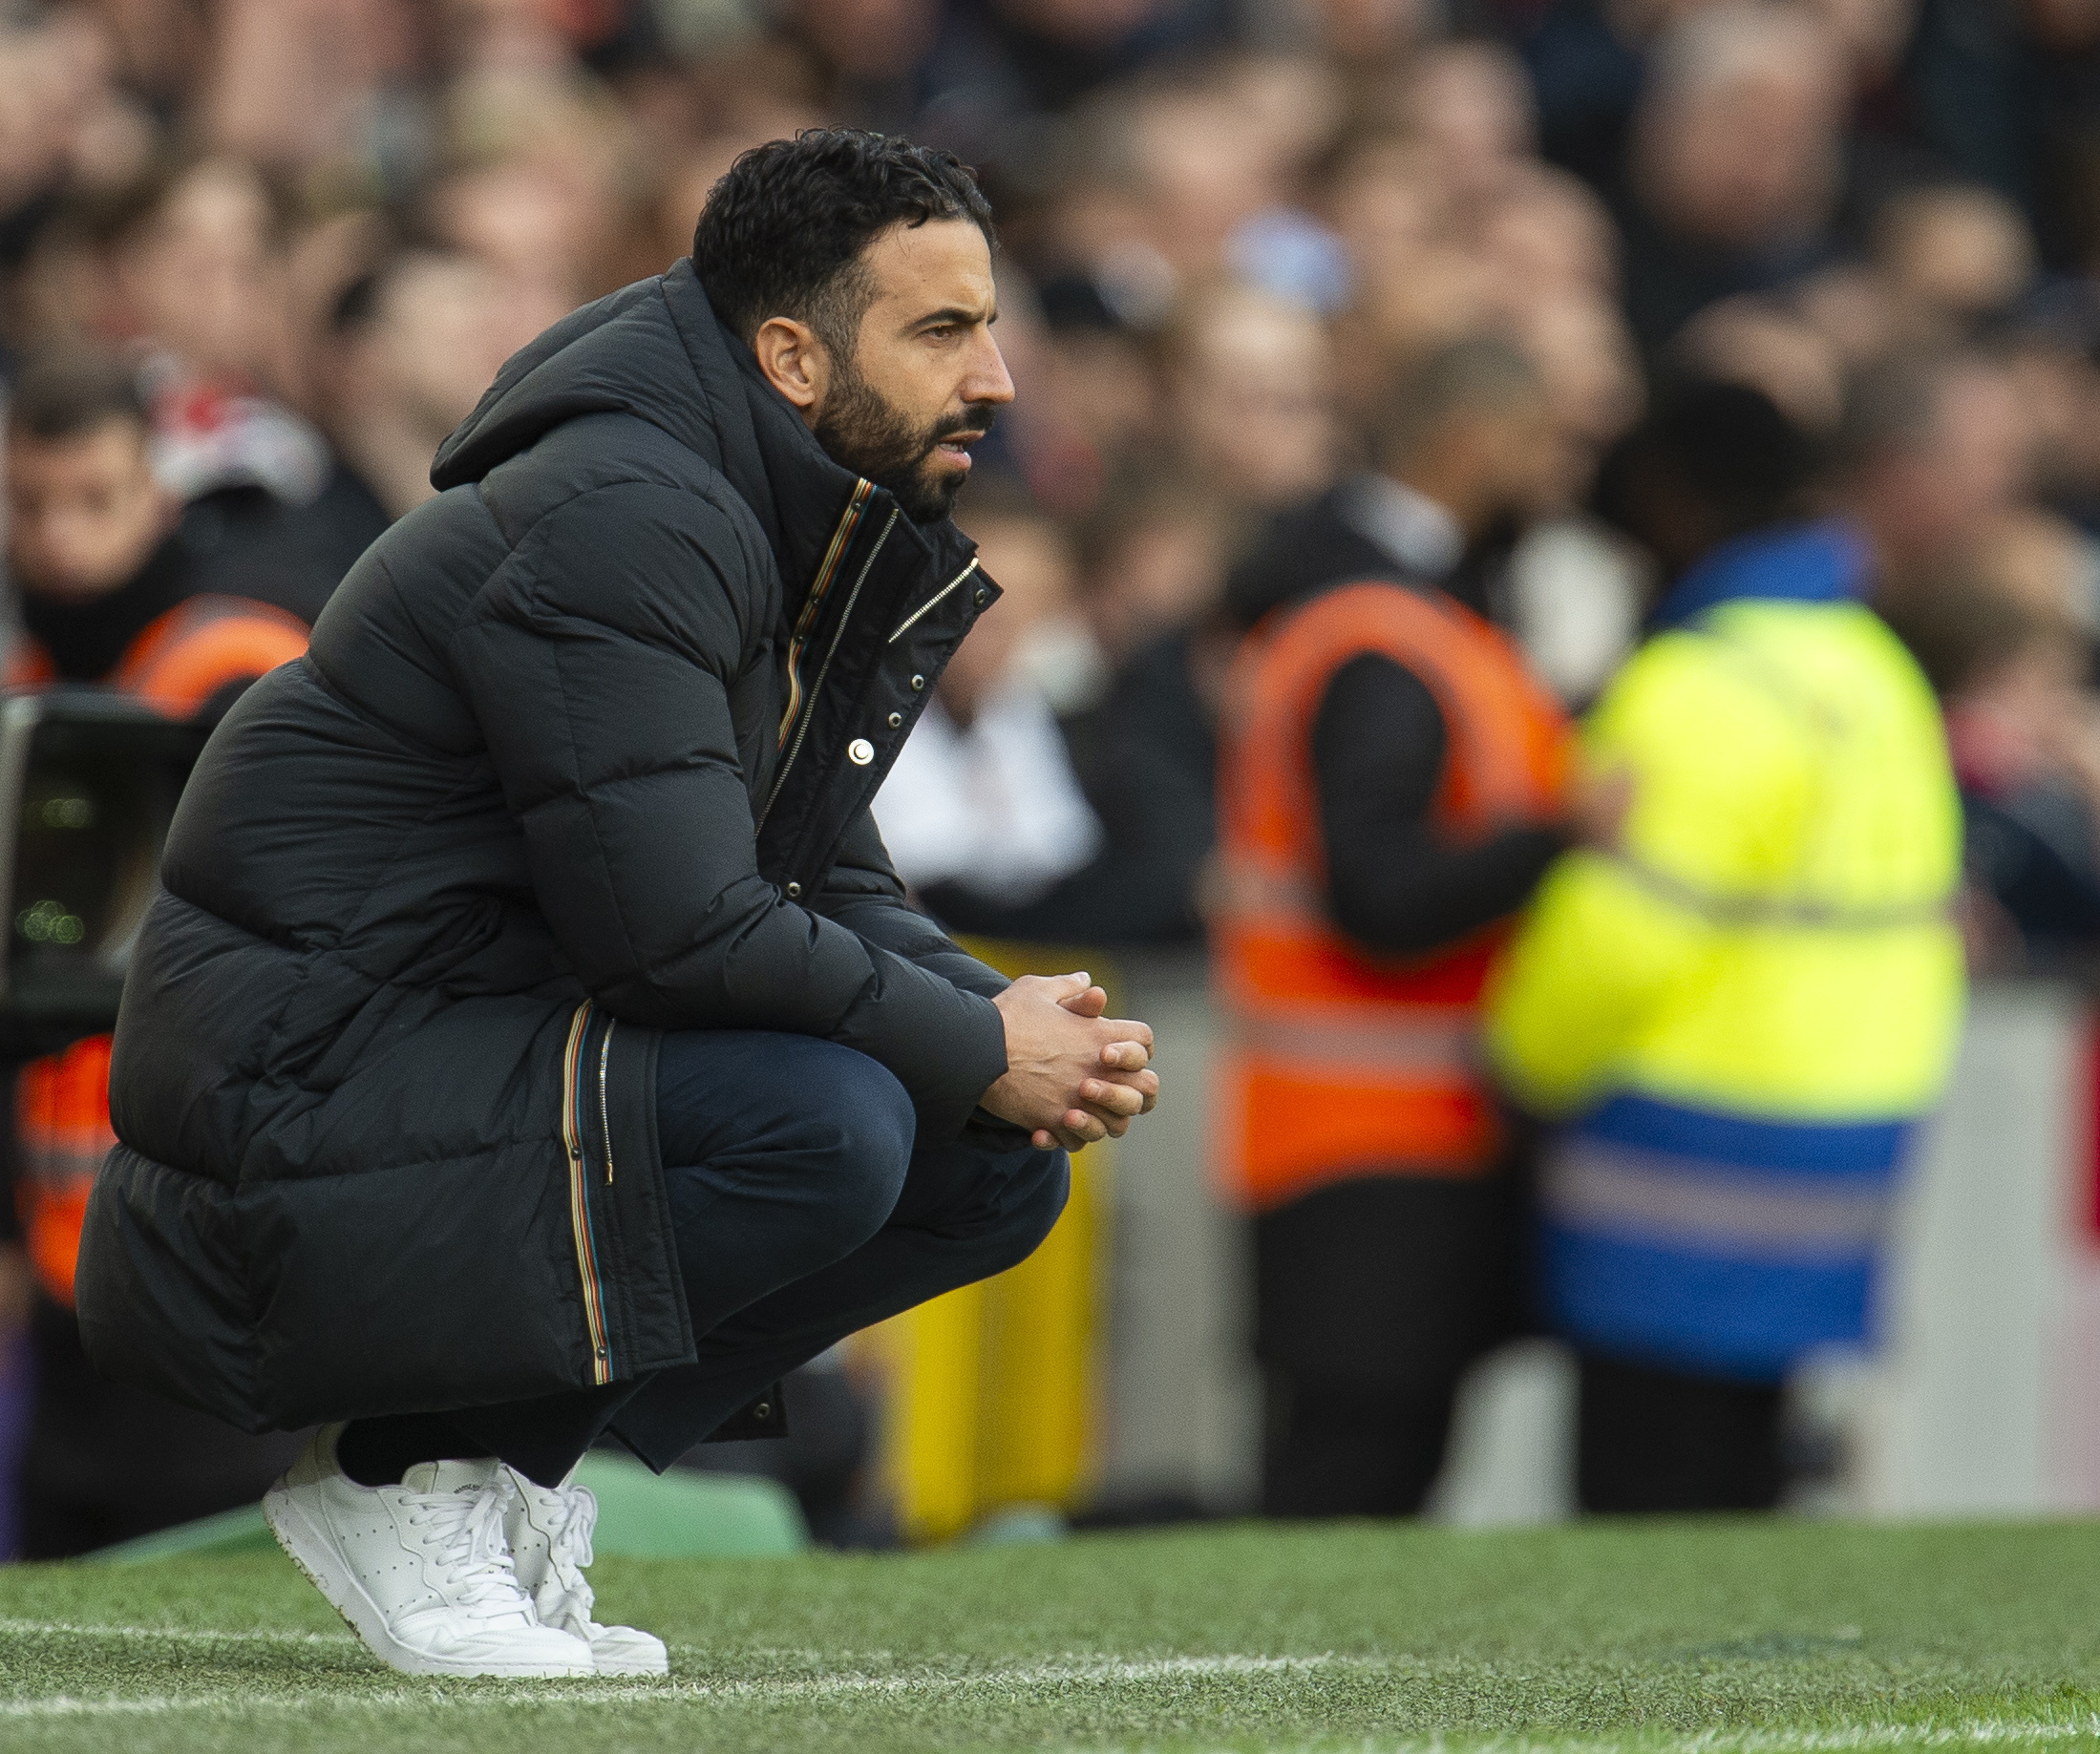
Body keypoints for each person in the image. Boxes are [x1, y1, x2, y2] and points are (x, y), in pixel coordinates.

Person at [75, 131, 1159, 1678]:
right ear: (789, 353)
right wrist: (965, 1031)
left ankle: (496, 1464)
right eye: (940, 330)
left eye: (985, 324)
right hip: (292, 1113)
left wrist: (1005, 1021)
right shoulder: (629, 514)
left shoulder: (762, 511)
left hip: (441, 1072)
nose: (992, 375)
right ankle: (398, 1471)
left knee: (988, 1163)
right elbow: (675, 927)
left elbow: (823, 880)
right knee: (829, 1123)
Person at [1486, 380, 1966, 1512]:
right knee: (1750, 1521)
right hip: (1841, 1150)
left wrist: (1519, 1064)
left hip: (1679, 1161)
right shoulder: (1875, 669)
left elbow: (1619, 939)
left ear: (1672, 504)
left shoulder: (1704, 682)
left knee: (1644, 1520)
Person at [1214, 335, 1573, 1518]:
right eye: (1537, 442)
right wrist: (1567, 833)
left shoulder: (1389, 619)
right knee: (1347, 1488)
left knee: (1360, 1488)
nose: (1552, 475)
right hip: (1369, 1152)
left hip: (1378, 1145)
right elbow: (1381, 899)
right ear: (1472, 438)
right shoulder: (1385, 637)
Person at [1, 348, 311, 1555]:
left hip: (222, 1262)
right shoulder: (25, 688)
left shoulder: (241, 672)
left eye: (96, 501)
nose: (62, 540)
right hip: (64, 1269)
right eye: (31, 506)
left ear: (159, 495)